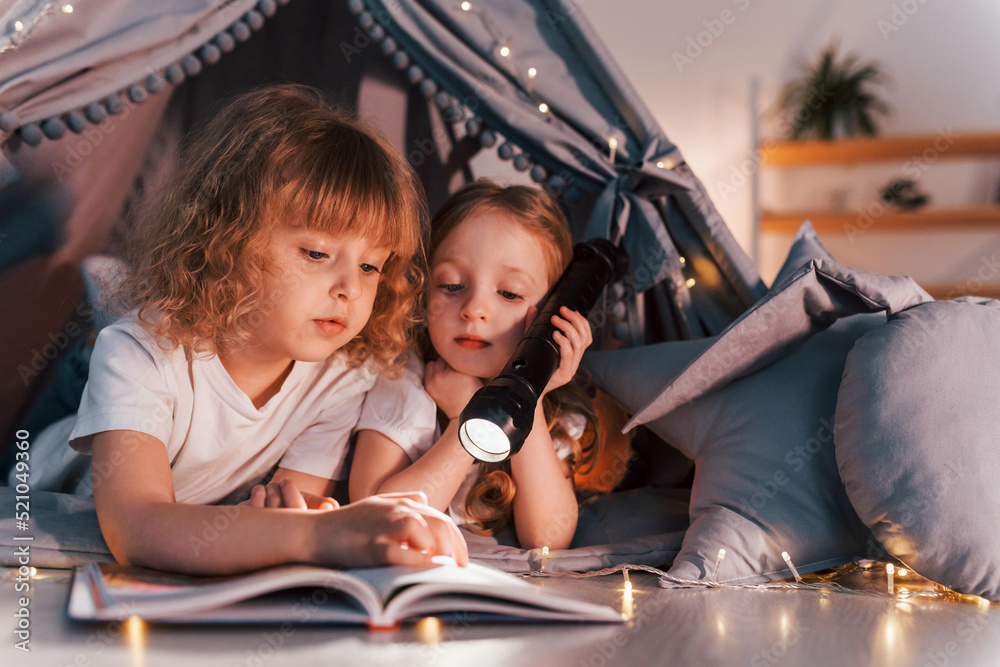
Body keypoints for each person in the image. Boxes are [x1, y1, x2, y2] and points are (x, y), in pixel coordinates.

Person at [67, 84, 467, 575]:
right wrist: (324, 532)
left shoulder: (340, 380)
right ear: (225, 239)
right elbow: (137, 528)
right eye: (317, 253)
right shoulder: (139, 354)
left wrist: (294, 524)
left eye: (369, 266)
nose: (350, 288)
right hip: (58, 522)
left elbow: (286, 512)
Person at [348, 181, 600, 550]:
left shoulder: (551, 409)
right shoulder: (403, 380)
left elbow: (547, 538)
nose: (473, 309)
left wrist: (531, 391)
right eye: (451, 285)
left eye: (509, 293)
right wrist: (461, 425)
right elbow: (375, 517)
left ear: (549, 311)